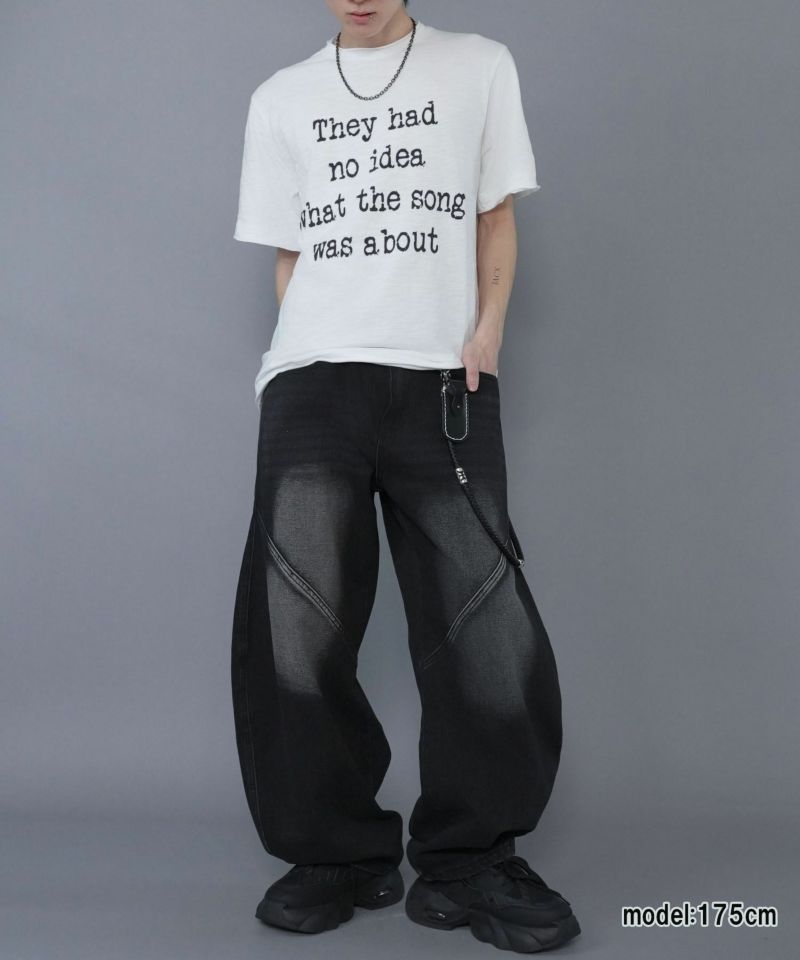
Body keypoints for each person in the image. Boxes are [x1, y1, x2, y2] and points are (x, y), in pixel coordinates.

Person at [230, 0, 580, 952]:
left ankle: (471, 860)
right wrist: (306, 356)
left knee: (482, 624)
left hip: (443, 381)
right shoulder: (280, 98)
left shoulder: (479, 65)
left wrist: (486, 336)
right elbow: (291, 254)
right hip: (313, 383)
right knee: (297, 629)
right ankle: (336, 853)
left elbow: (495, 215)